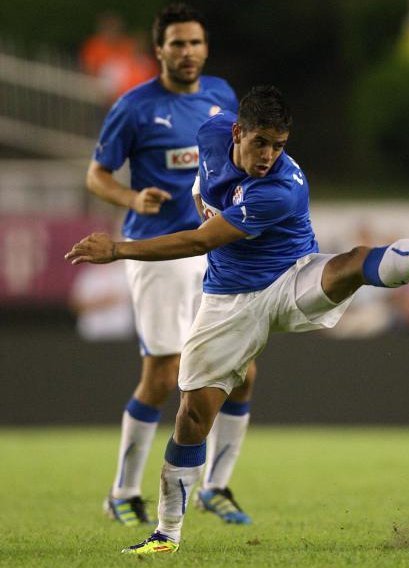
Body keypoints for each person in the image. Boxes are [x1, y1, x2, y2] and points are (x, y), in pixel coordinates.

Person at [66, 84, 409, 554]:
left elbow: (199, 242)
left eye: (279, 145)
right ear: (237, 132)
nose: (269, 155)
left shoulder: (280, 189)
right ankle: (167, 535)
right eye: (260, 143)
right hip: (229, 301)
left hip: (290, 281)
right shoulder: (208, 134)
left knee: (352, 263)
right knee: (192, 416)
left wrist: (118, 249)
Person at [85, 3, 255, 527]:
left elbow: (232, 160)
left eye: (195, 43)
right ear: (158, 50)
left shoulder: (221, 96)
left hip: (209, 247)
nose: (187, 53)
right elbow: (96, 175)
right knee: (162, 375)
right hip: (155, 251)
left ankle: (217, 487)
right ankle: (122, 492)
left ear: (206, 48)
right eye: (177, 44)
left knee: (243, 371)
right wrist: (132, 199)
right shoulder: (134, 107)